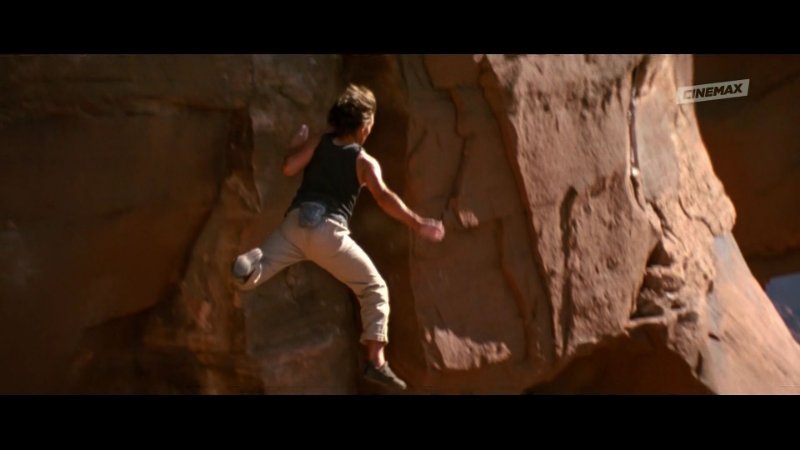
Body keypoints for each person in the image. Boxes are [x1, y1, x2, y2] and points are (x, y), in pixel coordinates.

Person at [232, 84, 445, 391]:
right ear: (364, 125)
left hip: (295, 224)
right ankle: (376, 363)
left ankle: (248, 265)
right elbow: (384, 197)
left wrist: (296, 144)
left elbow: (289, 167)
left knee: (254, 274)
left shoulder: (319, 142)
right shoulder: (364, 162)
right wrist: (417, 223)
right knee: (374, 289)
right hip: (328, 232)